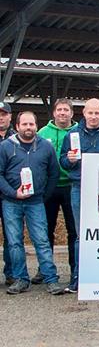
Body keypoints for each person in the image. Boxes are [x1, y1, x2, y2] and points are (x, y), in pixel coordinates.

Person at [60, 98, 99, 293]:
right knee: (81, 235)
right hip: (79, 187)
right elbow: (62, 161)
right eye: (90, 113)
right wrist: (69, 160)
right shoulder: (72, 134)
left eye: (97, 113)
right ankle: (78, 278)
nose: (93, 117)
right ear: (83, 113)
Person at [0, 111, 64, 295]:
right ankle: (21, 279)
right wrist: (13, 193)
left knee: (42, 241)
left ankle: (51, 279)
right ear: (18, 126)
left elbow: (53, 173)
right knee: (14, 242)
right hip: (11, 202)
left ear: (36, 126)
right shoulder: (5, 147)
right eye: (25, 124)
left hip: (36, 201)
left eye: (31, 124)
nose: (28, 128)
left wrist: (44, 195)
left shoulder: (45, 147)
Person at [34, 98, 78, 285]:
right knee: (46, 229)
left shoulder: (77, 132)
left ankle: (74, 269)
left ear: (71, 113)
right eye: (59, 109)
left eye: (66, 110)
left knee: (73, 231)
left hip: (71, 185)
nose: (62, 113)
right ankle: (44, 269)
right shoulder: (43, 133)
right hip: (50, 187)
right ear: (53, 113)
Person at [0, 101, 15, 285]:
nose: (1, 117)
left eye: (4, 114)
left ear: (10, 117)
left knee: (11, 236)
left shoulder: (16, 138)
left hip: (10, 194)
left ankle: (11, 273)